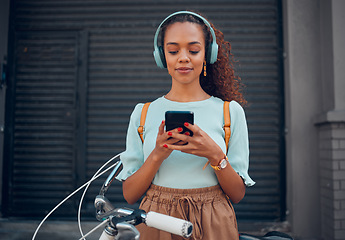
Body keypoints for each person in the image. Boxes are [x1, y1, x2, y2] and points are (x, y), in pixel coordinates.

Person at [116, 10, 255, 240]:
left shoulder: (230, 112)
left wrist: (215, 155)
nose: (183, 57)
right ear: (162, 57)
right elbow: (130, 195)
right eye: (173, 51)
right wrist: (157, 155)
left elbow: (237, 194)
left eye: (193, 50)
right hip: (156, 221)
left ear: (207, 55)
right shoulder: (143, 113)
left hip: (214, 221)